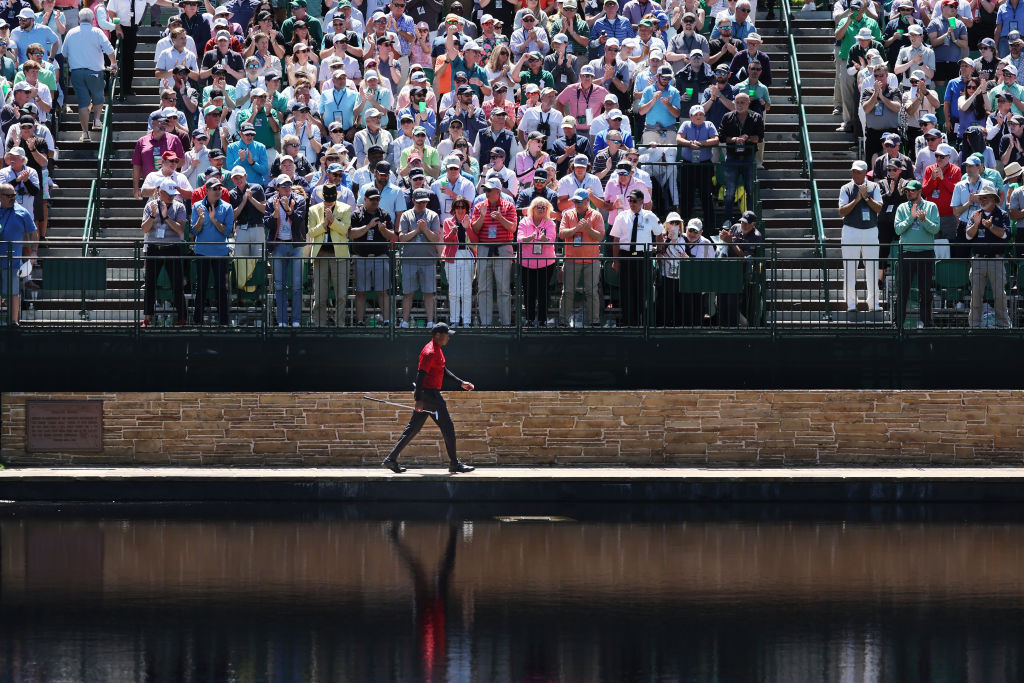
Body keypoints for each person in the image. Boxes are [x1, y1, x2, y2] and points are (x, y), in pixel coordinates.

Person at [381, 322, 476, 474]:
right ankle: (454, 464)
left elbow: (441, 370)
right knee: (448, 428)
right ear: (437, 335)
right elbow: (420, 376)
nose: (449, 338)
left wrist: (460, 383)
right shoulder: (430, 352)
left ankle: (391, 460)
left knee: (413, 428)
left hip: (428, 394)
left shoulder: (437, 350)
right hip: (430, 394)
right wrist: (418, 399)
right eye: (446, 335)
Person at [60, 7, 116, 142]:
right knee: (98, 96)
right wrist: (114, 63)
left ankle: (85, 133)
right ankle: (97, 120)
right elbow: (109, 49)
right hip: (95, 71)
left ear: (79, 19)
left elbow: (64, 53)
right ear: (92, 20)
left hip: (77, 72)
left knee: (83, 103)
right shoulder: (97, 31)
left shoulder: (71, 32)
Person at [610, 188, 663, 326]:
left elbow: (659, 234)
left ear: (641, 201)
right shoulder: (621, 216)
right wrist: (616, 261)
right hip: (626, 256)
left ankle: (639, 322)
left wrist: (659, 252)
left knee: (641, 290)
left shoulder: (650, 216)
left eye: (634, 201)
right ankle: (628, 322)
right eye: (630, 200)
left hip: (642, 257)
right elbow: (616, 240)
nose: (631, 203)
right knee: (627, 291)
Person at [469, 177, 517, 326]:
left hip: (503, 249)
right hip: (484, 248)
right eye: (485, 190)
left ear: (498, 191)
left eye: (489, 190)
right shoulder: (479, 206)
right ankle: (485, 323)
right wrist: (482, 216)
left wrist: (501, 218)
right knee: (483, 288)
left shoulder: (509, 206)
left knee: (503, 288)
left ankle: (506, 323)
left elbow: (512, 228)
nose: (486, 192)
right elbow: (475, 229)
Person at [141, 179, 187, 326]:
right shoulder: (150, 206)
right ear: (161, 192)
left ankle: (182, 318)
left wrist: (166, 217)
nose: (172, 197)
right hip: (154, 248)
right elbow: (144, 229)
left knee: (177, 284)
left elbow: (180, 229)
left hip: (172, 247)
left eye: (173, 194)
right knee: (149, 284)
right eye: (169, 194)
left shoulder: (179, 206)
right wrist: (154, 215)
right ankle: (147, 318)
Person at [839, 160, 883, 313]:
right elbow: (842, 211)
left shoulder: (875, 186)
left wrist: (866, 198)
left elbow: (878, 207)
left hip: (870, 230)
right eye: (854, 171)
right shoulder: (845, 188)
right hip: (850, 230)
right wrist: (857, 199)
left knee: (872, 267)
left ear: (865, 173)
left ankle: (873, 303)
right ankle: (851, 303)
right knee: (850, 267)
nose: (855, 174)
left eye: (858, 171)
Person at [894, 179, 939, 328]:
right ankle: (898, 324)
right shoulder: (901, 208)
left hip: (925, 254)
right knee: (902, 292)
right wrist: (911, 217)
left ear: (920, 191)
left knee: (925, 292)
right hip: (906, 254)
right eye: (907, 191)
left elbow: (935, 229)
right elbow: (897, 230)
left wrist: (924, 220)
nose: (909, 193)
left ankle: (926, 322)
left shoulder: (931, 206)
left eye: (912, 190)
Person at [265, 174, 308, 327]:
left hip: (295, 246)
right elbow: (267, 223)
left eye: (289, 185)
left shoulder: (300, 200)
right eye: (283, 186)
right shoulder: (271, 201)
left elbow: (299, 221)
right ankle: (282, 320)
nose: (287, 188)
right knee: (279, 285)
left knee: (297, 285)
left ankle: (296, 320)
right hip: (278, 246)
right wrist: (275, 214)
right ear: (277, 188)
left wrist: (288, 210)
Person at [348, 186, 395, 326]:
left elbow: (392, 236)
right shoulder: (356, 215)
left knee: (383, 291)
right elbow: (351, 234)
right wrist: (368, 227)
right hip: (361, 257)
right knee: (361, 291)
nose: (375, 202)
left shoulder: (384, 214)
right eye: (373, 199)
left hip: (380, 256)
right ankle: (360, 321)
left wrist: (383, 229)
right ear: (365, 199)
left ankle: (387, 321)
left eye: (378, 199)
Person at [191, 175, 234, 326]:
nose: (218, 191)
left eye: (219, 188)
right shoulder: (197, 206)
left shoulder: (227, 207)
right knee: (201, 287)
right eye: (214, 189)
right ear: (206, 191)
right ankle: (197, 322)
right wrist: (201, 220)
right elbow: (194, 232)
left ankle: (223, 322)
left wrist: (214, 220)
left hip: (220, 253)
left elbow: (227, 232)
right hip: (202, 252)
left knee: (221, 287)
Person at [966, 187, 1011, 328]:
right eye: (980, 198)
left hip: (996, 260)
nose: (981, 200)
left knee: (1000, 296)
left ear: (993, 198)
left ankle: (1003, 325)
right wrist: (976, 224)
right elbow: (968, 236)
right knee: (976, 296)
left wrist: (991, 227)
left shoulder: (1002, 214)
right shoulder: (975, 214)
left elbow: (1005, 235)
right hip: (978, 260)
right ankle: (974, 326)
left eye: (984, 197)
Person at [558, 188, 603, 327]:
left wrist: (588, 228)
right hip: (571, 259)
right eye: (574, 201)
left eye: (579, 201)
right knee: (568, 292)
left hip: (592, 260)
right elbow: (561, 234)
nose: (576, 204)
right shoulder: (567, 215)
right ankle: (563, 322)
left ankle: (595, 322)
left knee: (591, 292)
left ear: (587, 201)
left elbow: (600, 237)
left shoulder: (596, 215)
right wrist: (576, 229)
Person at [307, 183, 351, 327]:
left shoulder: (345, 209)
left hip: (339, 256)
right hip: (321, 255)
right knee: (319, 296)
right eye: (327, 200)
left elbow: (344, 230)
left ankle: (340, 325)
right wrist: (324, 223)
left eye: (331, 200)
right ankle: (319, 324)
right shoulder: (313, 210)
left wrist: (331, 221)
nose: (329, 203)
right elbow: (312, 232)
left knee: (341, 295)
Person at [397, 187, 442, 327]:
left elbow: (435, 238)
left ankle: (430, 322)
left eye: (424, 202)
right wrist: (417, 230)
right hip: (409, 260)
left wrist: (424, 230)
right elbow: (402, 238)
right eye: (419, 202)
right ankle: (405, 321)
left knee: (429, 293)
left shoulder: (433, 215)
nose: (422, 204)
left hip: (428, 261)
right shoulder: (405, 215)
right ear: (413, 201)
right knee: (407, 293)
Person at [718, 91, 762, 228]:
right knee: (729, 191)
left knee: (750, 190)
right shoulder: (727, 117)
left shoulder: (756, 117)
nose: (740, 105)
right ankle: (727, 220)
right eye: (737, 102)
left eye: (743, 102)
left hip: (749, 158)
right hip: (732, 158)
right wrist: (734, 139)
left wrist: (747, 138)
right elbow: (721, 136)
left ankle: (750, 220)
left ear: (748, 103)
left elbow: (759, 137)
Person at [0, 182, 37, 326]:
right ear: (1, 197)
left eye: (14, 195)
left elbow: (33, 233)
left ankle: (13, 322)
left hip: (13, 261)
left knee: (13, 292)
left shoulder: (22, 212)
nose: (13, 198)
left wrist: (33, 252)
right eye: (9, 196)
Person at [517, 196, 557, 326]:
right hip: (526, 263)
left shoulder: (550, 223)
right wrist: (529, 238)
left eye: (543, 207)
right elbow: (519, 239)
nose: (541, 209)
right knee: (529, 292)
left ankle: (542, 320)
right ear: (532, 208)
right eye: (538, 207)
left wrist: (544, 239)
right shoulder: (524, 221)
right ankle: (529, 319)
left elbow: (551, 240)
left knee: (543, 292)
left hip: (545, 264)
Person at [228, 165, 267, 293]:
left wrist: (251, 198)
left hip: (257, 228)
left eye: (240, 177)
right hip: (241, 229)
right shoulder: (232, 193)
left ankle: (259, 294)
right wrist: (244, 201)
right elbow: (233, 216)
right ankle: (242, 294)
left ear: (246, 176)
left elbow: (263, 209)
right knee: (241, 262)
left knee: (259, 261)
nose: (238, 180)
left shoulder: (257, 188)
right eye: (235, 178)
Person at [442, 195, 475, 327]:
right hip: (452, 257)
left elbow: (475, 240)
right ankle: (454, 320)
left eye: (463, 207)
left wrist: (467, 228)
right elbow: (446, 240)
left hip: (467, 254)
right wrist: (452, 233)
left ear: (467, 209)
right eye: (457, 206)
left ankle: (466, 321)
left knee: (467, 290)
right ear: (454, 208)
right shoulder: (448, 222)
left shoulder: (471, 221)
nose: (460, 209)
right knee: (454, 291)